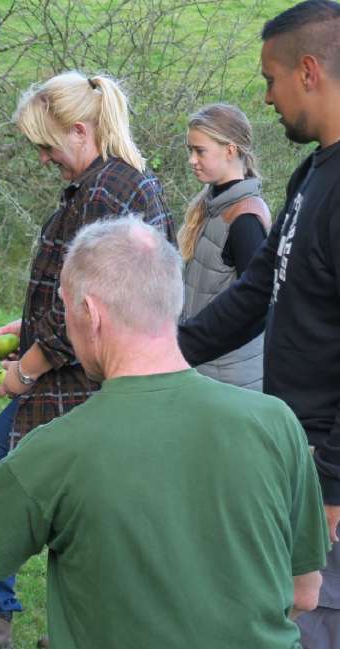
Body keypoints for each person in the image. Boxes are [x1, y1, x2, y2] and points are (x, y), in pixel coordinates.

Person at [0, 216, 330, 649]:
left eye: (67, 310)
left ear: (91, 316)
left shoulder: (52, 450)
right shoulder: (276, 423)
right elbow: (304, 591)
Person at [0, 71, 175, 648]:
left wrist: (26, 369)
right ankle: (28, 621)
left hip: (84, 386)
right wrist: (30, 320)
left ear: (82, 130)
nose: (43, 159)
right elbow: (79, 291)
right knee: (64, 506)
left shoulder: (104, 193)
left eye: (47, 145)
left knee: (1, 480)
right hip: (95, 378)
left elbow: (90, 312)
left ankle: (5, 620)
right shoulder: (118, 182)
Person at [178, 2, 340, 646]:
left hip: (327, 474)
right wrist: (162, 352)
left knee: (313, 625)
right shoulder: (312, 173)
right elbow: (253, 295)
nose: (265, 96)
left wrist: (332, 481)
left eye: (270, 78)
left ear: (308, 70)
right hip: (291, 454)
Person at [179, 103, 270, 391]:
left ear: (230, 151)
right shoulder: (215, 207)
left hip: (231, 381)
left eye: (200, 151)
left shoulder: (244, 221)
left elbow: (256, 309)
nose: (192, 160)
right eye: (190, 150)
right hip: (206, 370)